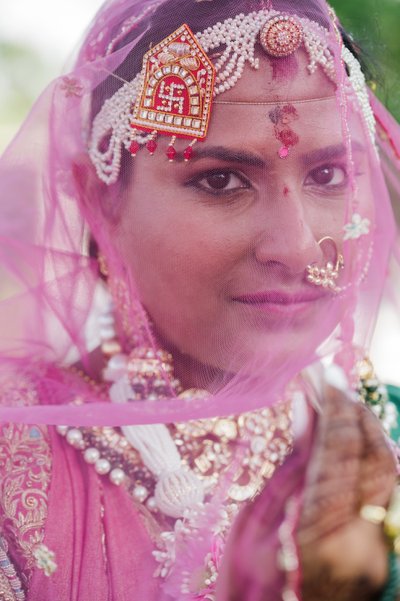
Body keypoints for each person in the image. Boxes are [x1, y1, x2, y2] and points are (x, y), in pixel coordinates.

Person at [0, 0, 400, 599]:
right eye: (220, 180)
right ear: (98, 200)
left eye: (328, 176)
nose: (297, 248)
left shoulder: (382, 433)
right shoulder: (15, 473)